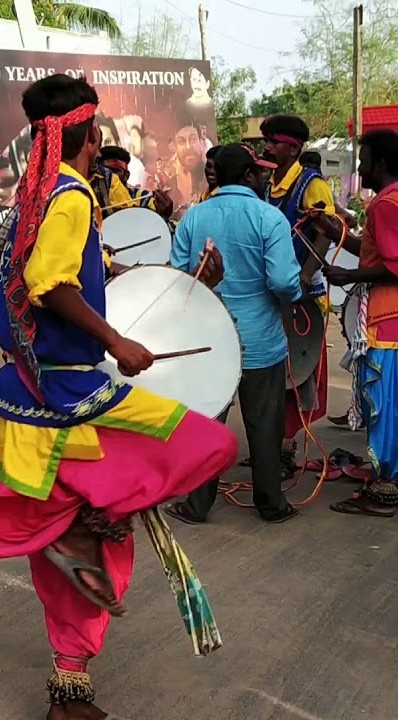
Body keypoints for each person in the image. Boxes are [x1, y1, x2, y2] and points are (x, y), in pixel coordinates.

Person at [0, 73, 237, 720]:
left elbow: (61, 272)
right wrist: (118, 341)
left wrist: (149, 278)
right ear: (90, 131)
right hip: (73, 387)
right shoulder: (74, 195)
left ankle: (70, 686)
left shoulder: (37, 192)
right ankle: (86, 525)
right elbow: (50, 283)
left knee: (102, 538)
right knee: (203, 441)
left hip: (29, 386)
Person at [166, 143, 301, 525]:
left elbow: (179, 276)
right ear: (247, 177)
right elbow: (283, 282)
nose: (264, 178)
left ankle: (196, 505)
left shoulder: (193, 218)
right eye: (259, 173)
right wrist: (292, 293)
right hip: (261, 342)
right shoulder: (269, 218)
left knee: (206, 423)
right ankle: (271, 505)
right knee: (265, 425)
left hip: (210, 341)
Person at [323, 130, 398, 517]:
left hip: (390, 315)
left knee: (384, 403)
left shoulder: (386, 204)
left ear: (381, 164)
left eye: (364, 158)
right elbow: (383, 252)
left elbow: (396, 267)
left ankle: (383, 485)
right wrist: (334, 231)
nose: (359, 166)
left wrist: (347, 277)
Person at [261, 114, 337, 472]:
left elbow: (327, 232)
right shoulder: (267, 183)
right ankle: (277, 439)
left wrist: (305, 277)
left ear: (293, 147)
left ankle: (287, 444)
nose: (267, 147)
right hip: (273, 293)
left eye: (273, 142)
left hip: (304, 294)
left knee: (296, 370)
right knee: (273, 368)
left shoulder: (312, 185)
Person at [94, 145, 174, 221]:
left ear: (126, 176)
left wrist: (161, 212)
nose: (109, 175)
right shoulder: (91, 194)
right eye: (105, 172)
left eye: (115, 171)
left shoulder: (140, 197)